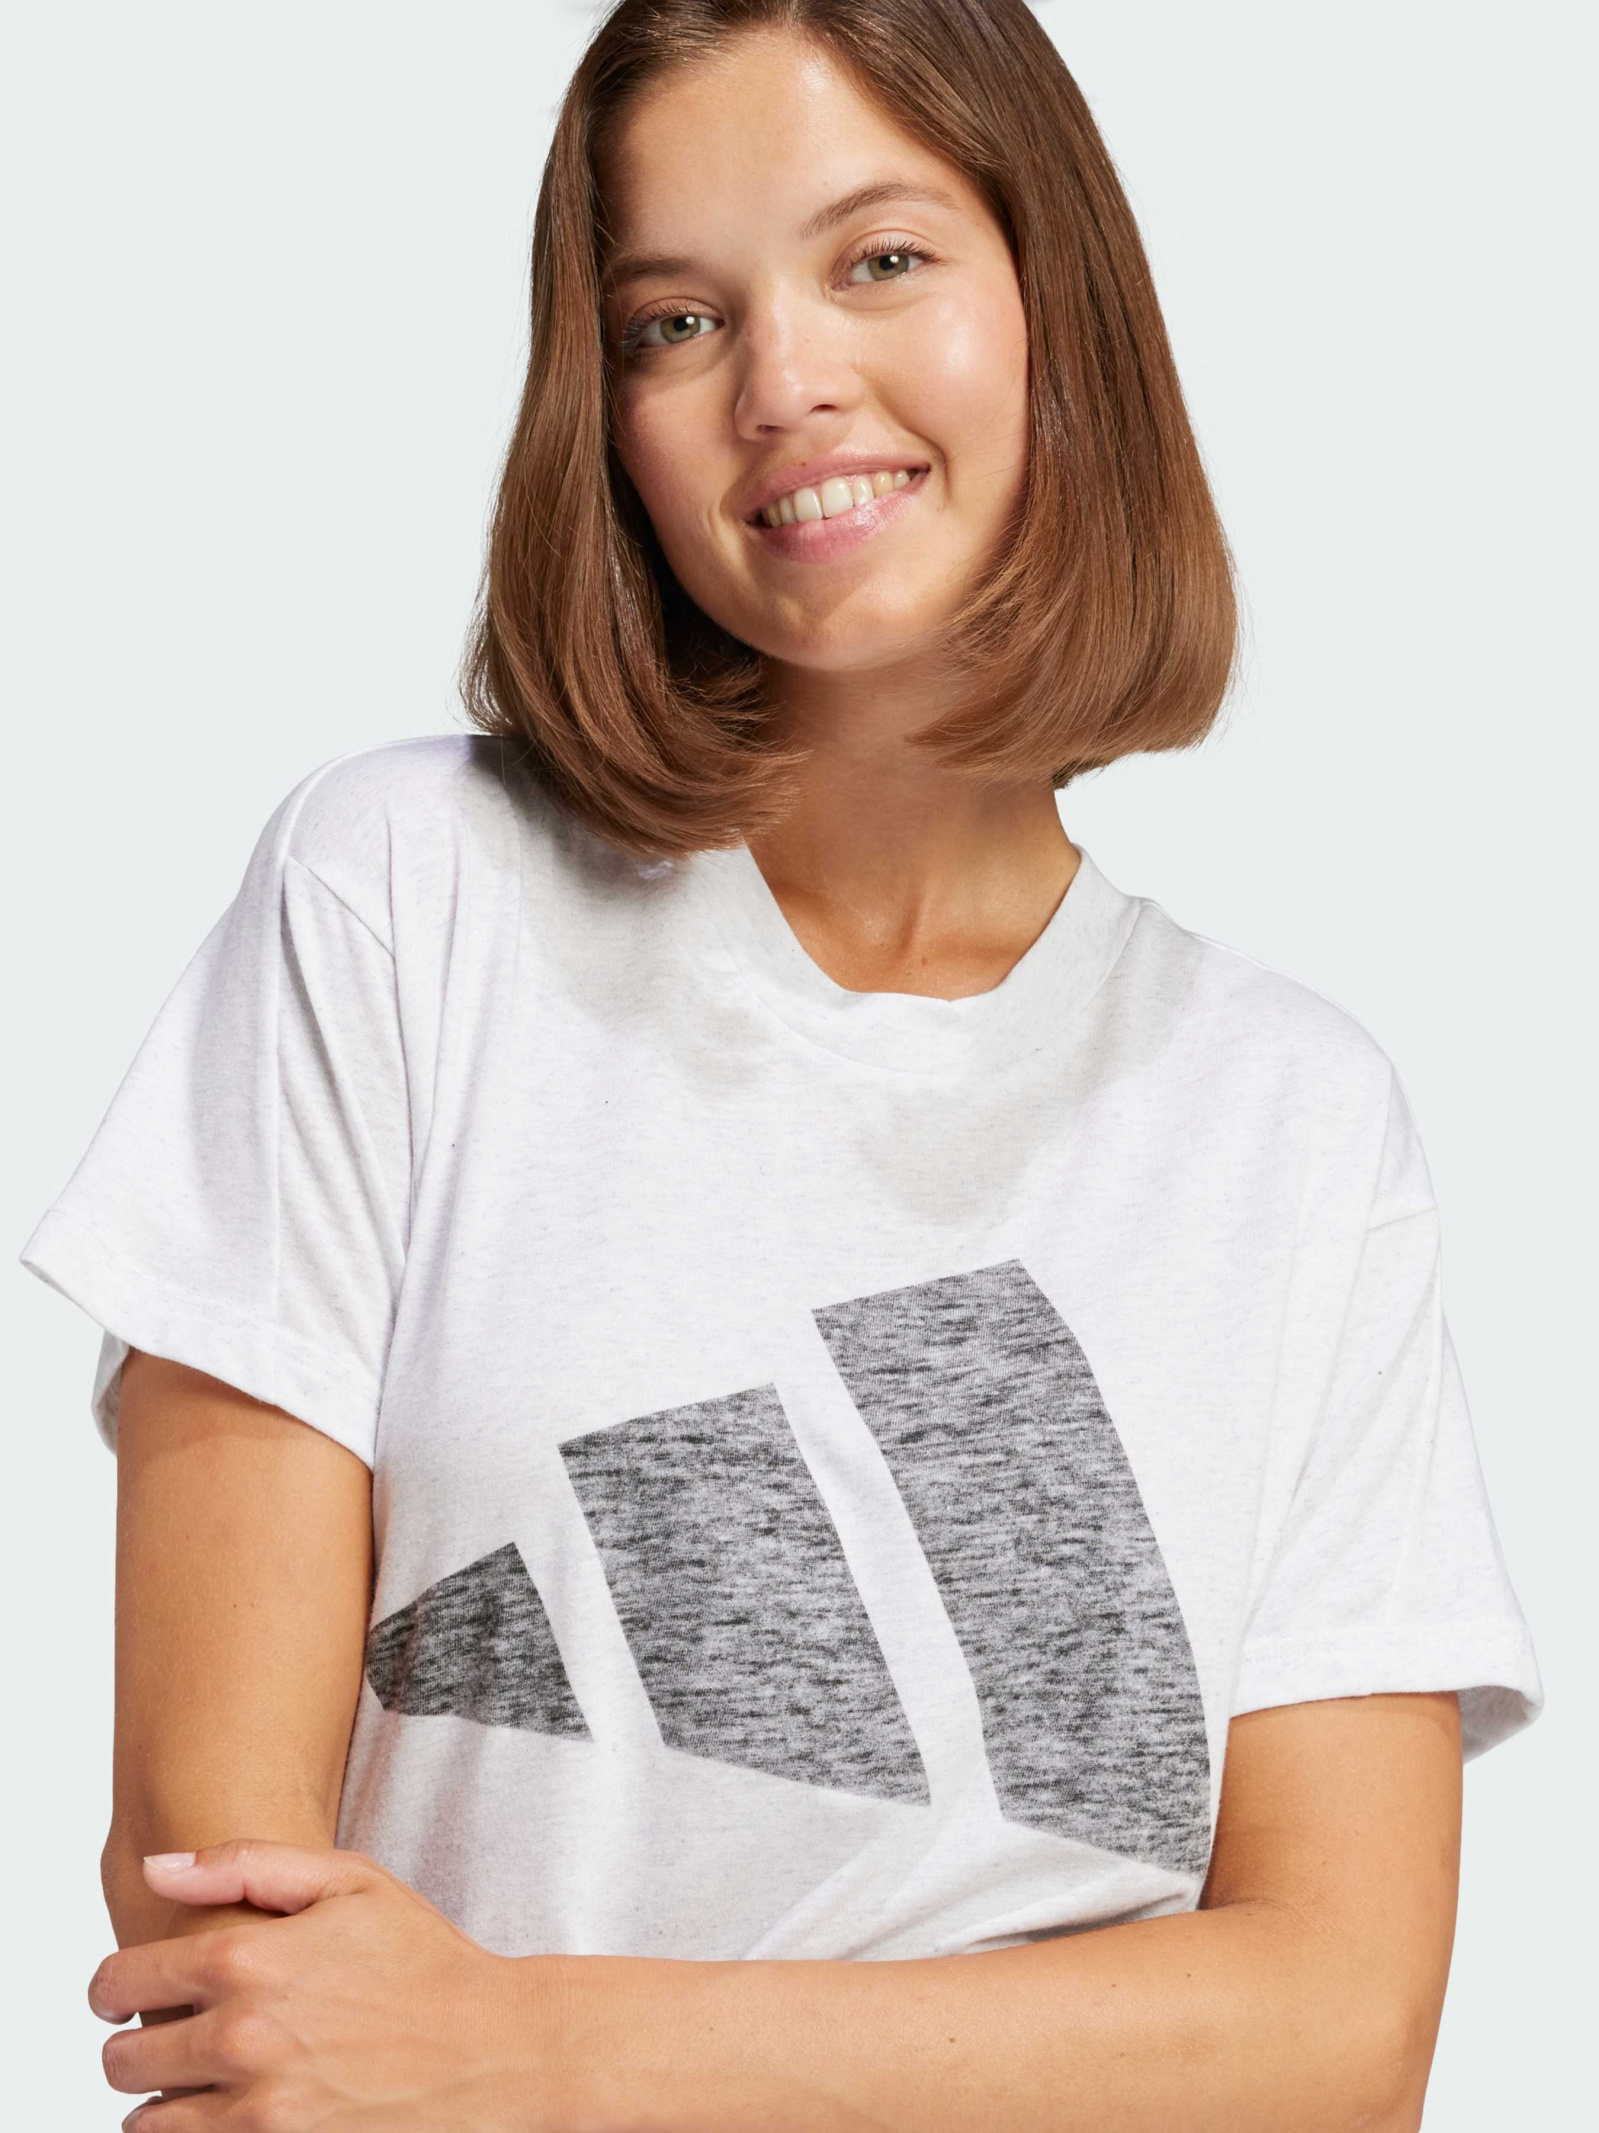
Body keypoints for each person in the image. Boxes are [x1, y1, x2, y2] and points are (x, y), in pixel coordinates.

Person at [22, 1, 1542, 2126]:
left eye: (880, 259)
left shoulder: (1286, 1115)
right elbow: (223, 1906)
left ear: (1061, 304)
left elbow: (1338, 2026)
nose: (783, 382)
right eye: (674, 320)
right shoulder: (404, 900)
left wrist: (531, 2046)